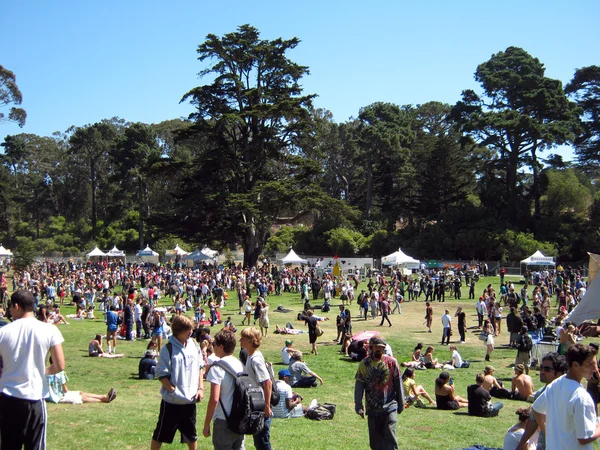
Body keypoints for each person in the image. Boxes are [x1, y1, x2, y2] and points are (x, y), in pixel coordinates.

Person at [0, 290, 65, 450]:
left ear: (16, 306)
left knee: (8, 445)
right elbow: (59, 365)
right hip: (35, 397)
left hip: (8, 396)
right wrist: (40, 371)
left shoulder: (3, 332)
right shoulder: (49, 330)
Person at [151, 314, 205, 450]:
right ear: (179, 330)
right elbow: (161, 375)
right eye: (188, 330)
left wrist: (200, 388)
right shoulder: (167, 349)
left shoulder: (194, 345)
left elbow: (200, 367)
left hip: (190, 401)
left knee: (191, 435)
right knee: (161, 433)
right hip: (172, 402)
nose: (191, 332)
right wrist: (173, 391)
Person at [532, 344, 600, 449]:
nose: (595, 369)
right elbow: (584, 438)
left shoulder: (556, 384)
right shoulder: (581, 397)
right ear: (575, 365)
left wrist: (548, 434)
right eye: (591, 364)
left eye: (596, 363)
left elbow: (536, 409)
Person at [354, 337, 405, 450]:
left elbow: (398, 383)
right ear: (371, 348)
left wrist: (401, 404)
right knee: (375, 441)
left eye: (381, 348)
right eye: (376, 348)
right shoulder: (364, 364)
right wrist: (358, 406)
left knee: (389, 435)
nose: (379, 350)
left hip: (390, 406)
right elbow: (359, 384)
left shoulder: (392, 362)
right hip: (372, 407)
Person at [203, 328, 246, 449]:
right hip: (240, 419)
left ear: (221, 347)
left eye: (214, 344)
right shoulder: (240, 364)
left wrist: (207, 424)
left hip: (223, 420)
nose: (213, 347)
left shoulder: (217, 368)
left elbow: (214, 399)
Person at [515, 352, 568, 450]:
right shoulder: (540, 394)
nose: (542, 372)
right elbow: (533, 421)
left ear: (559, 373)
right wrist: (521, 444)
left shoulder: (569, 395)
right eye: (541, 368)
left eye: (547, 369)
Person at [240, 327, 273, 450]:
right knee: (258, 441)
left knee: (262, 442)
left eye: (242, 338)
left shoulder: (255, 359)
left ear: (250, 340)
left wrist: (267, 406)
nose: (240, 341)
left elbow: (267, 382)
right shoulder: (250, 355)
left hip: (262, 406)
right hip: (256, 404)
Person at [46, 370, 117, 404]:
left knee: (80, 392)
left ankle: (104, 396)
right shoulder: (60, 373)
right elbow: (65, 390)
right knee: (82, 397)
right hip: (59, 397)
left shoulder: (46, 374)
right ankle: (104, 399)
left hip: (55, 395)